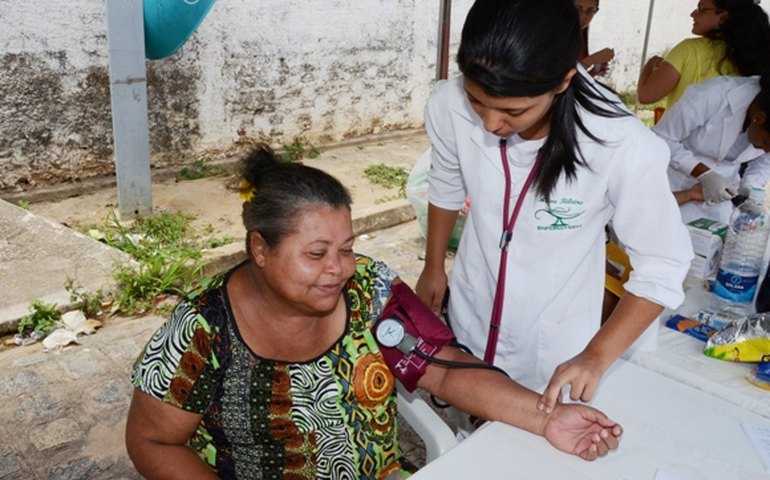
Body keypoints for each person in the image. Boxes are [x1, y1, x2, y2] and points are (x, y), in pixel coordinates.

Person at [125, 145, 623, 479]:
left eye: (347, 247)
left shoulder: (368, 287)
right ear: (260, 248)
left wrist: (547, 419)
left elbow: (443, 370)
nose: (338, 269)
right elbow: (151, 442)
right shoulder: (203, 330)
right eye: (316, 254)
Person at [414, 0, 693, 421]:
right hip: (470, 315)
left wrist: (596, 356)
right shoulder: (448, 104)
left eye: (513, 111)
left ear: (563, 80)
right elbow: (447, 180)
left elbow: (663, 264)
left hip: (553, 347)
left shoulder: (618, 143)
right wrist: (434, 266)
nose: (490, 124)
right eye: (477, 101)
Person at [653, 74, 770, 225]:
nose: (766, 152)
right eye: (766, 143)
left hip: (719, 199)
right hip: (672, 184)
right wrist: (704, 173)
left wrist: (749, 187)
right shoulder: (715, 94)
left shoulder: (766, 129)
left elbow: (763, 164)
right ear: (758, 118)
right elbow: (661, 138)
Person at [637, 0, 770, 110]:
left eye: (701, 9)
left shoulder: (688, 49)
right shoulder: (756, 58)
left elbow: (646, 96)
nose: (693, 14)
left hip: (678, 138)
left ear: (722, 17)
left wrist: (650, 64)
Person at [575, 0, 614, 77]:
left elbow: (574, 81)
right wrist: (591, 60)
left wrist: (594, 71)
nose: (583, 16)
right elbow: (560, 82)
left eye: (590, 11)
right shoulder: (556, 36)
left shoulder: (580, 36)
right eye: (578, 9)